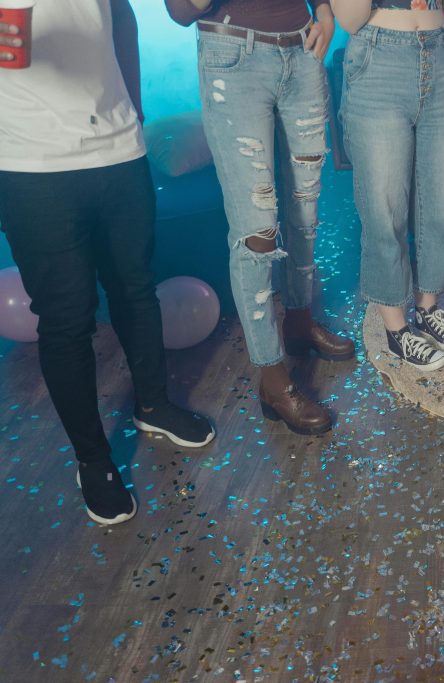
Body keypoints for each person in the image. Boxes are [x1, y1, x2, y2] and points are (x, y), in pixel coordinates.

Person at [0, 0, 215, 526]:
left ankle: (153, 406)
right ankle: (93, 461)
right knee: (67, 318)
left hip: (118, 150)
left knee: (136, 288)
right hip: (31, 161)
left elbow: (121, 16)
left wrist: (134, 110)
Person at [165, 0, 354, 434]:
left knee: (305, 210)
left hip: (302, 51)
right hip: (234, 57)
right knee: (257, 230)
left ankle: (300, 322)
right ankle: (272, 378)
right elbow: (179, 10)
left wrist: (323, 10)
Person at [332, 0, 444, 372]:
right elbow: (350, 21)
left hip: (443, 59)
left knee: (441, 202)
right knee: (384, 209)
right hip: (377, 61)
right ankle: (396, 330)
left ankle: (428, 308)